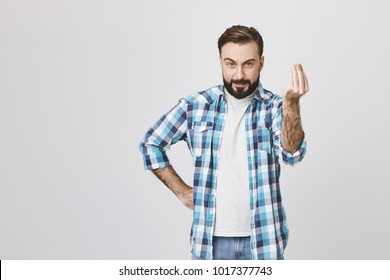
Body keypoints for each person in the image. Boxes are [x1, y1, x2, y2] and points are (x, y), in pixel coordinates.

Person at [139, 25, 309, 260]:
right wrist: (181, 191)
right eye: (231, 64)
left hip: (264, 243)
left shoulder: (275, 107)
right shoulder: (195, 106)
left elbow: (292, 155)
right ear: (220, 62)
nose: (239, 74)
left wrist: (292, 102)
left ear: (261, 63)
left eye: (248, 64)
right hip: (209, 245)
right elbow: (151, 143)